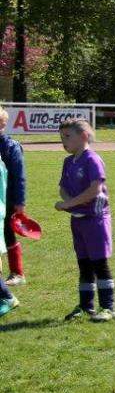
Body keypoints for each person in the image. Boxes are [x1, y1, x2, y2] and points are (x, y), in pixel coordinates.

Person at [55, 118, 115, 322]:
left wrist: (68, 204)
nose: (63, 141)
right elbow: (63, 187)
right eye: (61, 137)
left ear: (84, 136)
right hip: (78, 220)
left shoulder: (92, 160)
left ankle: (108, 307)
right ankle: (86, 305)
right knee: (84, 264)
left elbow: (95, 190)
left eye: (67, 136)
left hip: (95, 220)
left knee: (99, 263)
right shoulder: (68, 162)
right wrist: (68, 202)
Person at [0, 109, 28, 286]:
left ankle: (17, 273)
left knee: (8, 233)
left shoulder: (11, 147)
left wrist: (19, 202)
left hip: (7, 199)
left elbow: (19, 176)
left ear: (2, 124)